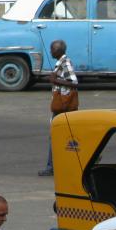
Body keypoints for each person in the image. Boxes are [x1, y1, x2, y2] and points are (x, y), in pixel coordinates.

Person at [39, 39, 78, 177]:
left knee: (56, 136)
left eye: (52, 49)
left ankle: (52, 167)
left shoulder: (65, 63)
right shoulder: (61, 63)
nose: (50, 51)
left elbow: (74, 82)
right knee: (66, 137)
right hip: (62, 106)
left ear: (58, 50)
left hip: (64, 107)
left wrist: (55, 81)